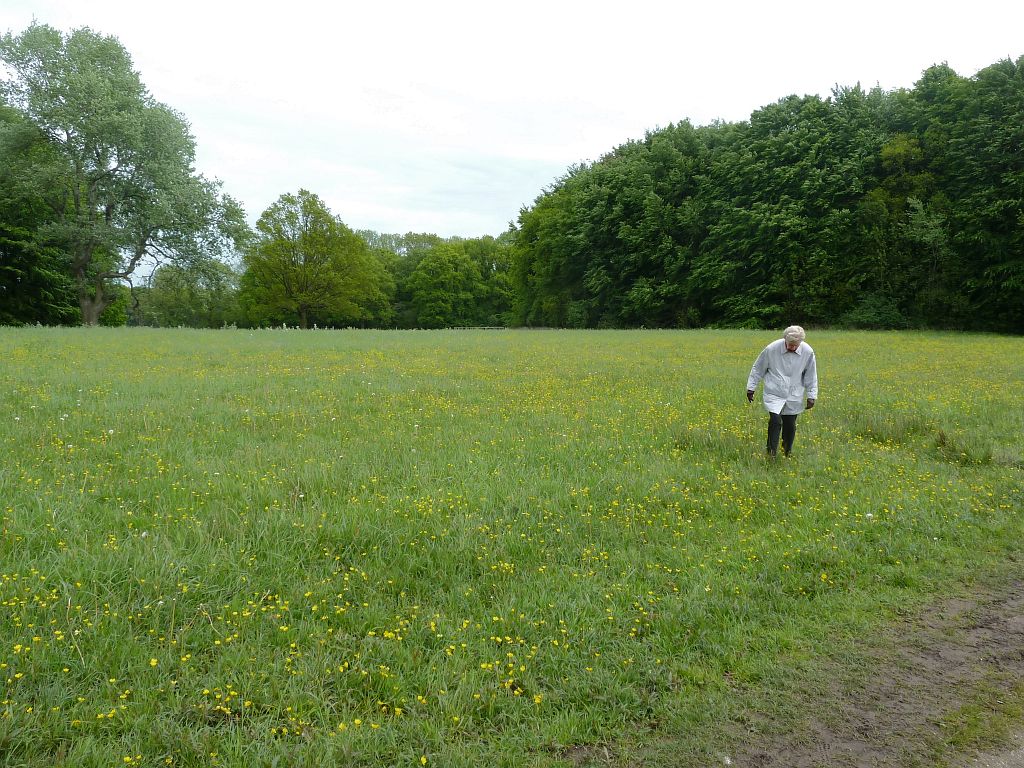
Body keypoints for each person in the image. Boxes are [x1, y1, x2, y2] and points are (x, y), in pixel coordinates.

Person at [746, 325, 818, 458]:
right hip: (774, 392)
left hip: (794, 394)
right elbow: (758, 368)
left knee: (790, 425)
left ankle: (787, 452)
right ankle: (771, 453)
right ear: (785, 339)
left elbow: (811, 375)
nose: (792, 347)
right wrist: (751, 387)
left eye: (796, 345)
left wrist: (811, 395)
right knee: (775, 421)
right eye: (790, 344)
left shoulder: (808, 352)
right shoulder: (771, 349)